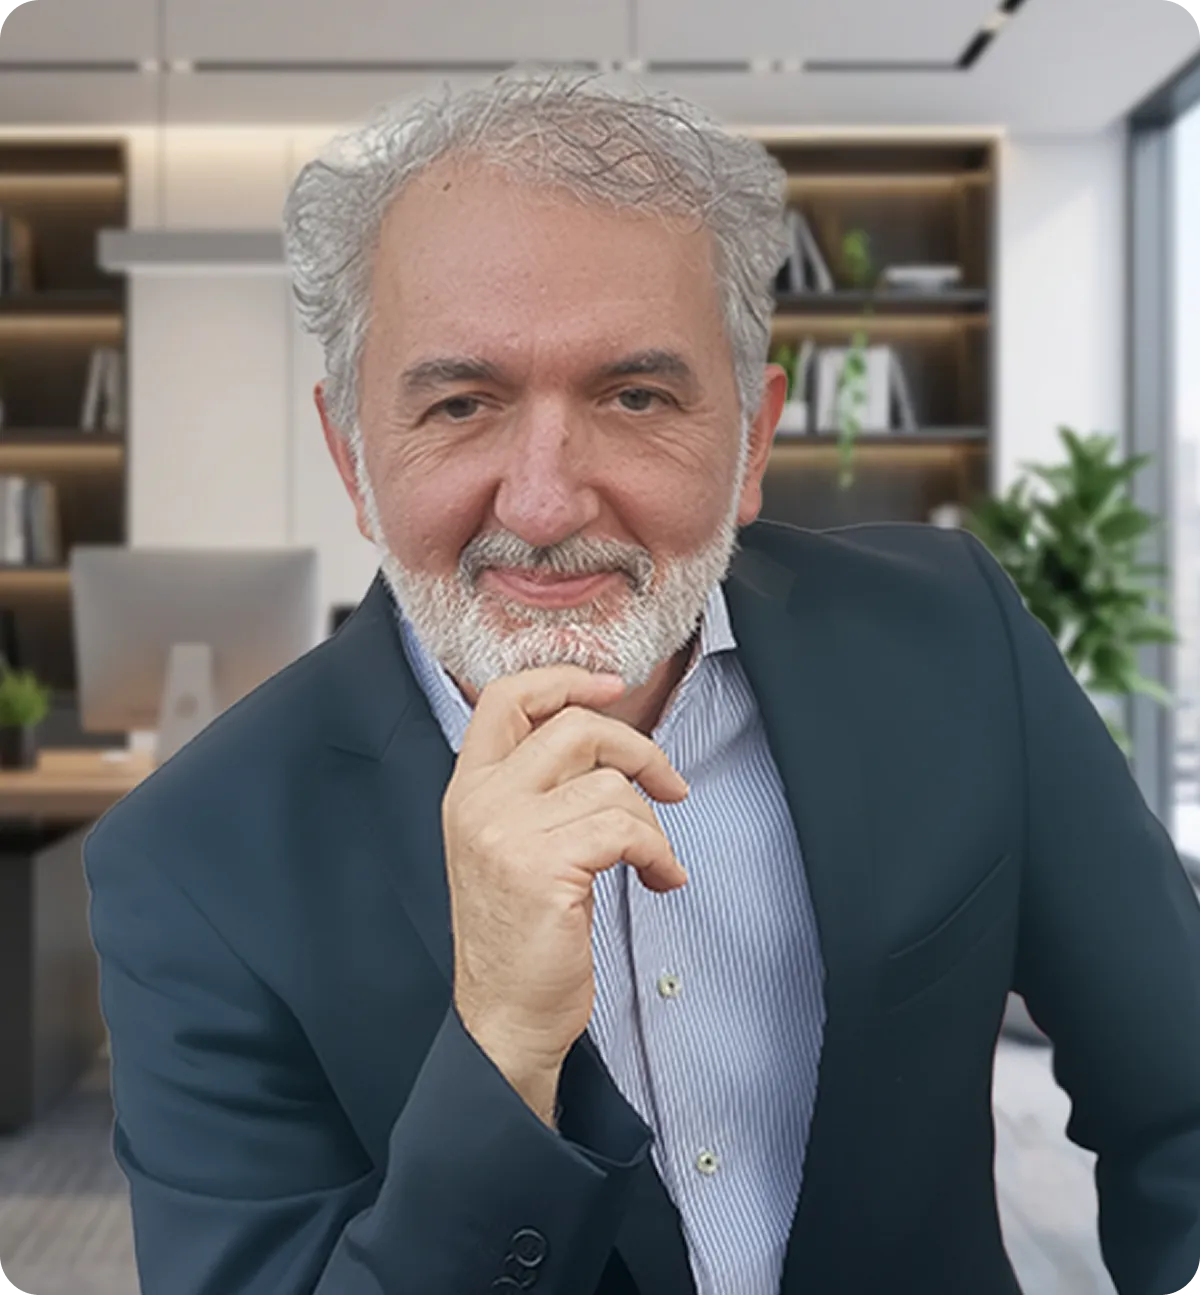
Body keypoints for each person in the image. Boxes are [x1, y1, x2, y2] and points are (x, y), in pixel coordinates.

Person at [84, 67, 1200, 1296]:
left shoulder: (954, 642)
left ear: (753, 443)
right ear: (355, 459)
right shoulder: (191, 860)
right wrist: (502, 1053)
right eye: (462, 403)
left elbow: (1184, 1097)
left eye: (635, 395)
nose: (548, 503)